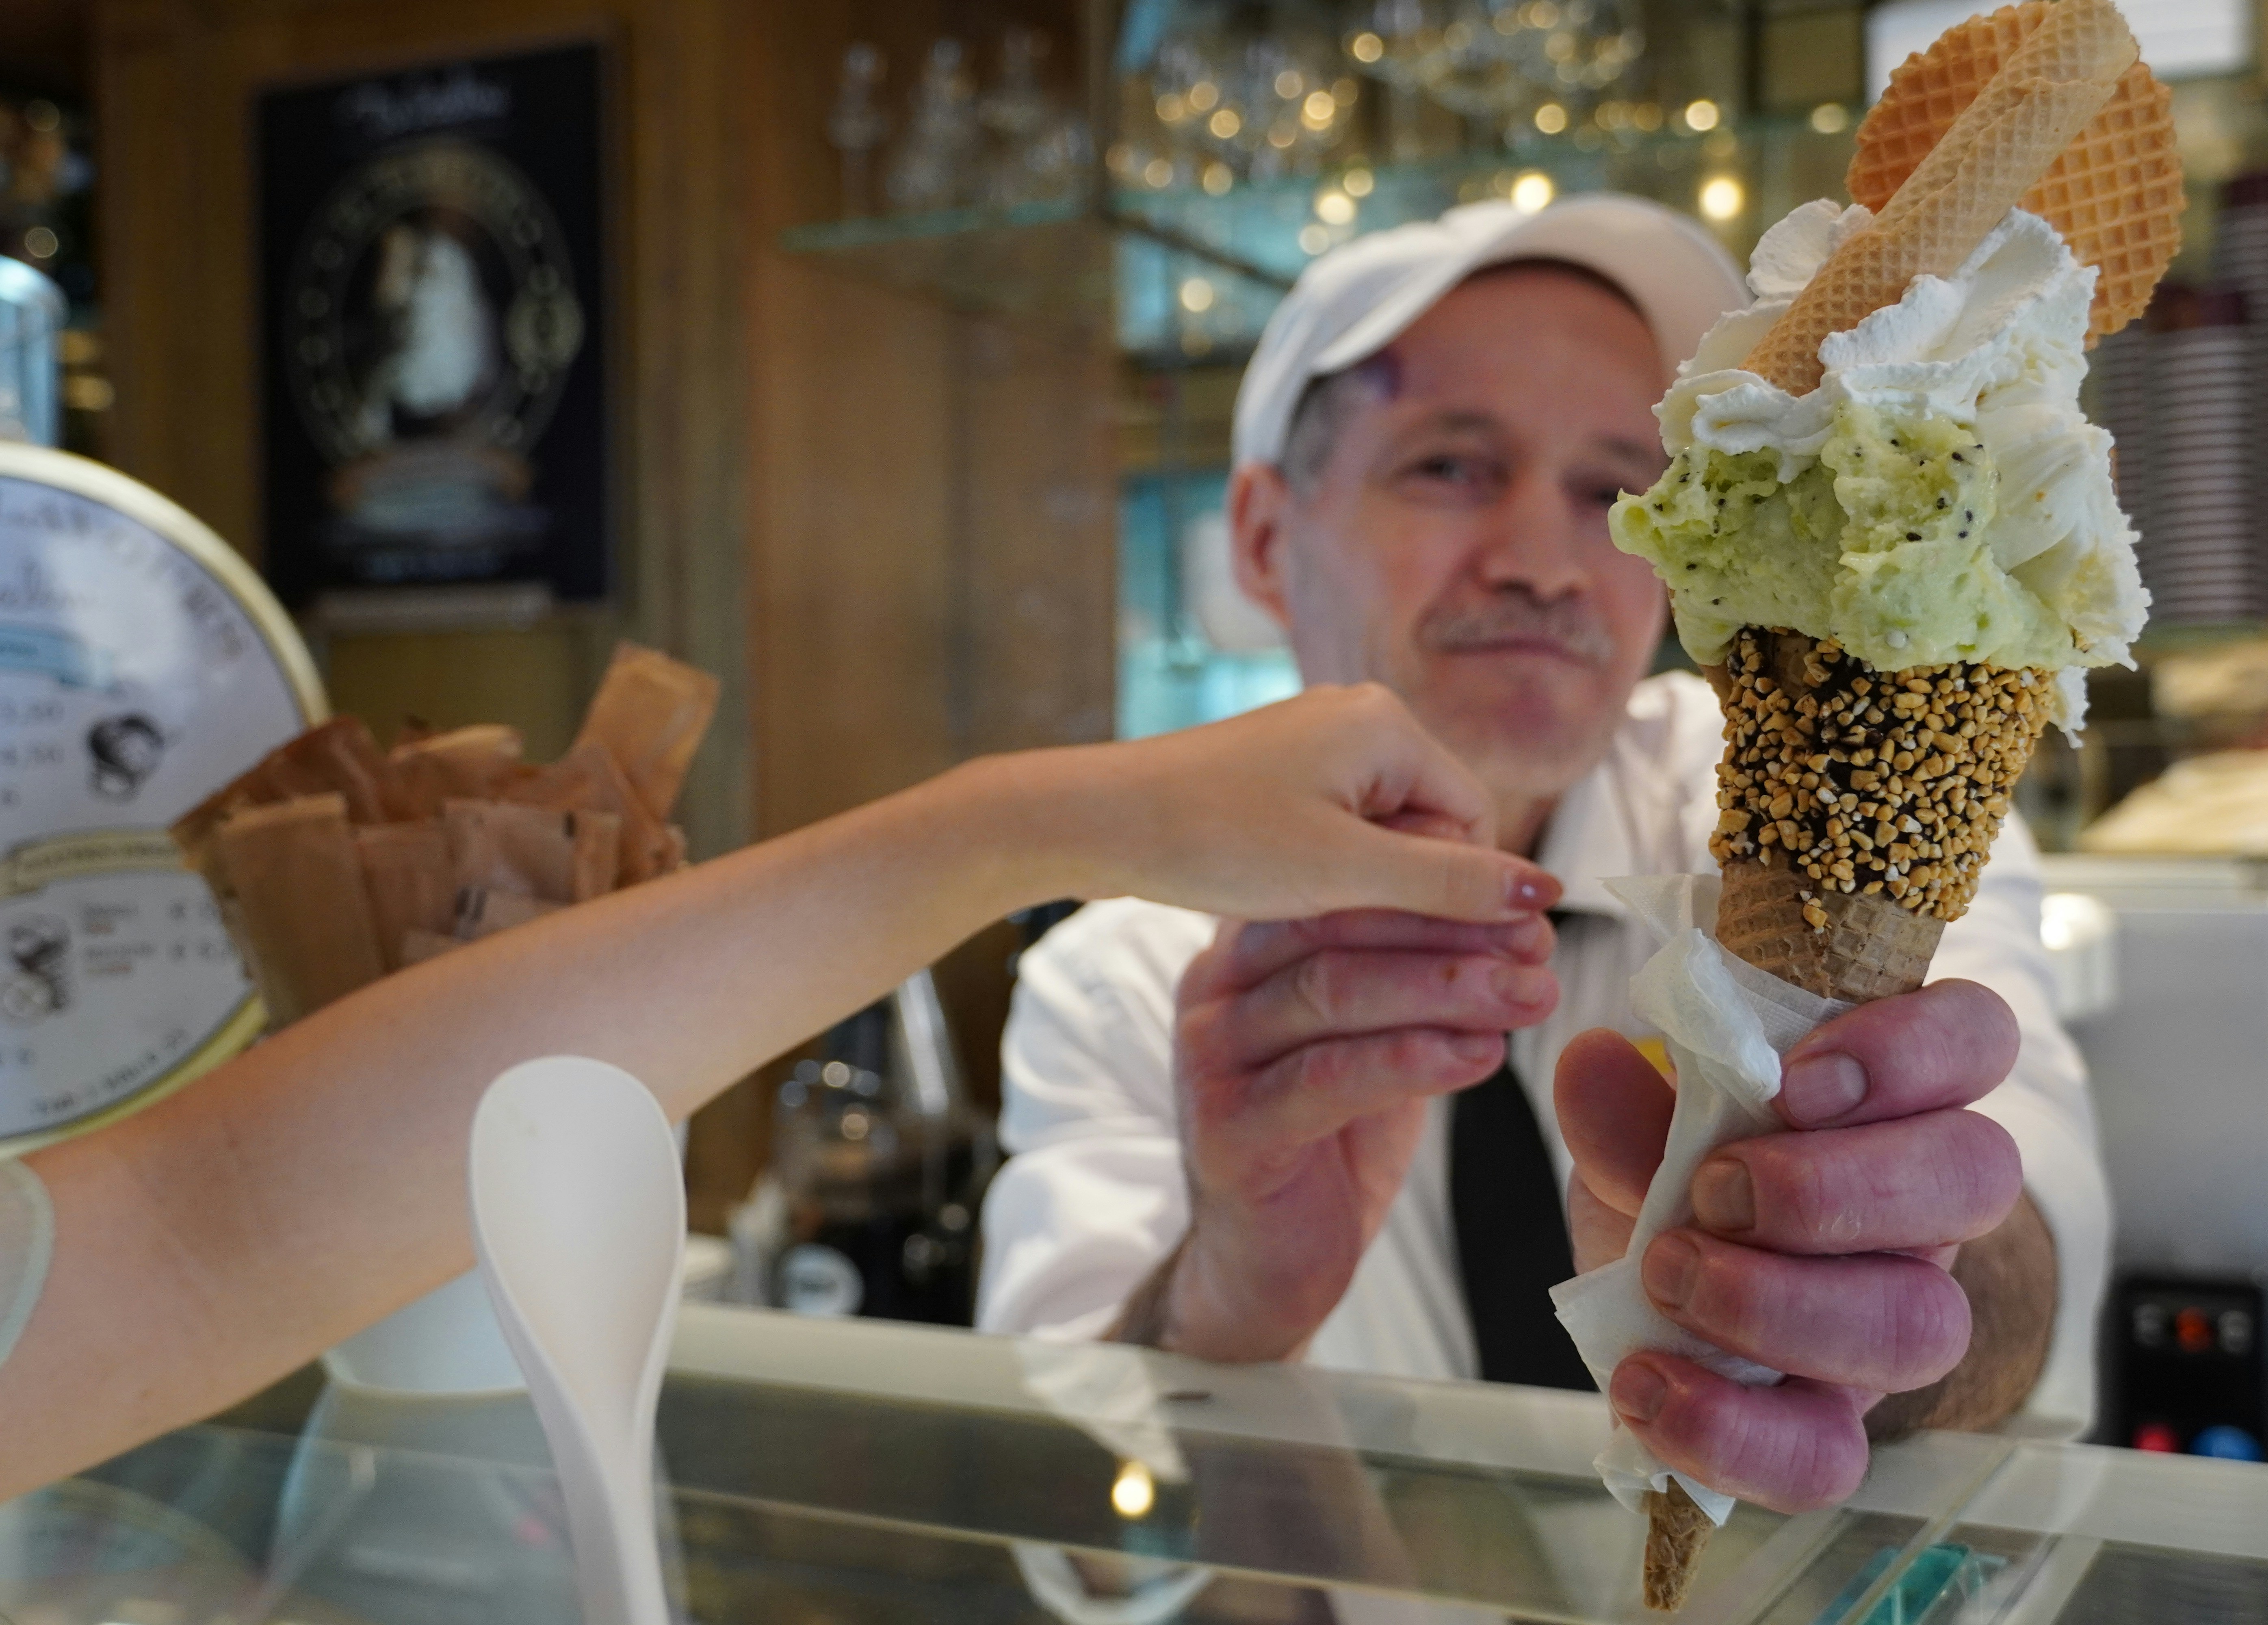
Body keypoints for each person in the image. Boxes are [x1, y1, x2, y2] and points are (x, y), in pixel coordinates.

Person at [977, 195, 2108, 1513]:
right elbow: (1073, 1536)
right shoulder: (1126, 981)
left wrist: (1895, 1291)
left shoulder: (1819, 801)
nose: (1547, 565)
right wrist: (1221, 1308)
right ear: (1267, 538)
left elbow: (2037, 1262)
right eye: (1451, 466)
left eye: (1616, 488)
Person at [0, 685, 1560, 1504]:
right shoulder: (1130, 983)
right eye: (1450, 460)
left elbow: (186, 1228)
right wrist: (1059, 825)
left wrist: (1050, 821)